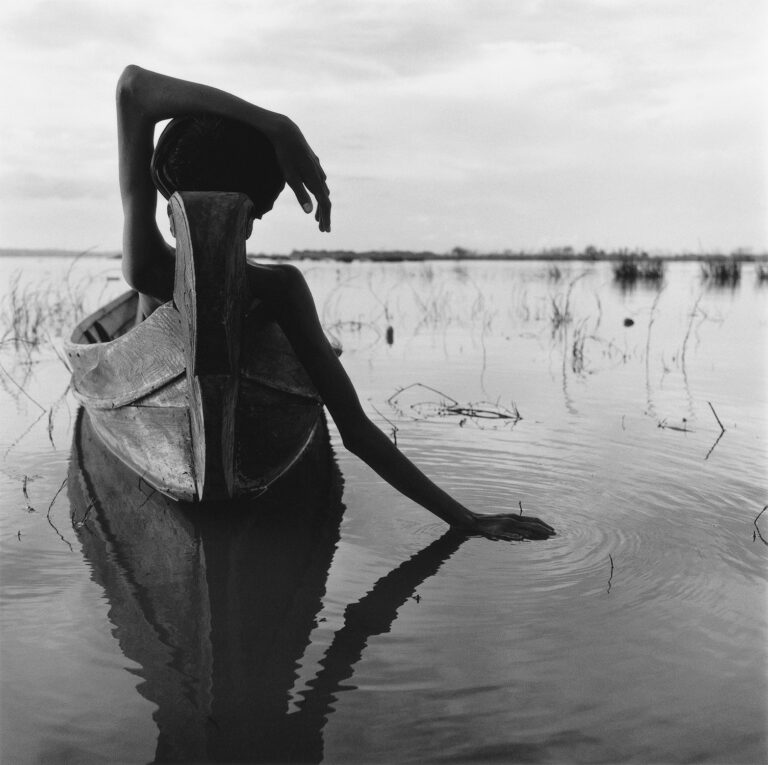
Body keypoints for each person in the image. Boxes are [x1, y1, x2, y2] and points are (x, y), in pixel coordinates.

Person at [116, 64, 554, 541]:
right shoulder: (272, 286)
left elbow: (134, 90)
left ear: (169, 208)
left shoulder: (152, 269)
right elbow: (357, 432)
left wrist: (467, 520)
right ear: (254, 215)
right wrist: (277, 125)